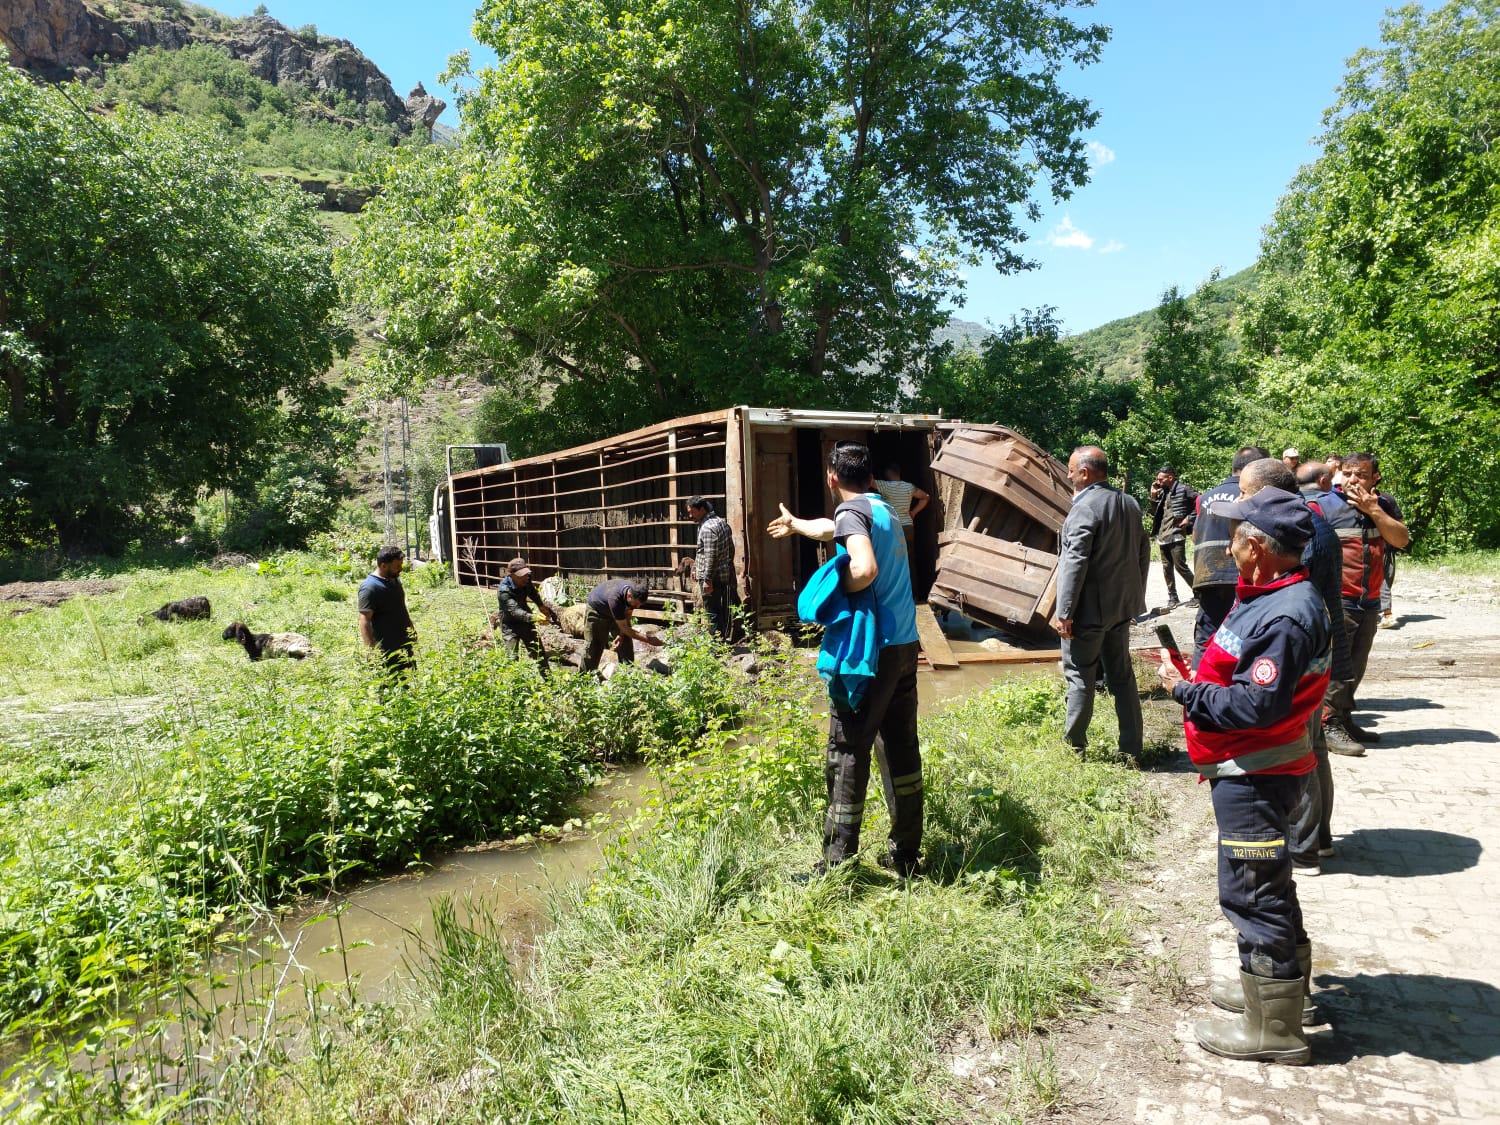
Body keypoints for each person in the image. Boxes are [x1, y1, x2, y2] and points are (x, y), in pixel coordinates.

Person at [1159, 488, 1331, 1066]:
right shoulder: (1270, 593)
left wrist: (1185, 692)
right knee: (1268, 882)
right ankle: (1282, 991)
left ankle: (1274, 1028)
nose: (1228, 546)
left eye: (1234, 536)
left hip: (1257, 770)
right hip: (1251, 763)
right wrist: (1202, 679)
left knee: (1252, 890)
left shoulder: (1286, 614)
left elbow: (1257, 706)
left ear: (1255, 547)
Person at [767, 441, 923, 876]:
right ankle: (906, 855)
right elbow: (834, 528)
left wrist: (833, 592)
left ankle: (836, 866)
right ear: (871, 478)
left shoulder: (852, 512)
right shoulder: (882, 509)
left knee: (848, 749)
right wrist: (797, 524)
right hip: (904, 646)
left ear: (831, 477)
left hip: (871, 653)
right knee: (900, 748)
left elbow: (864, 567)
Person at [1051, 445, 1149, 760]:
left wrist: (1064, 612)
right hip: (1120, 609)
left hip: (1088, 613)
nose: (1068, 476)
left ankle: (1074, 748)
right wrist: (1135, 598)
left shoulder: (1084, 508)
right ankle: (1132, 748)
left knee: (1080, 675)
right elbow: (1143, 552)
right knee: (1122, 677)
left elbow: (1074, 562)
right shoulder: (1129, 503)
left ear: (1084, 473)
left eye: (1070, 470)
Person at [1312, 452, 1409, 747]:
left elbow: (1401, 539)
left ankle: (1343, 718)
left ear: (1375, 477)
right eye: (1348, 474)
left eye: (1361, 475)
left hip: (1370, 599)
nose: (1353, 480)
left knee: (1356, 665)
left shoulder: (1384, 504)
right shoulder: (1323, 505)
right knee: (1336, 666)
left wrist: (1373, 509)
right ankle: (1327, 724)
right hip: (1337, 600)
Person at [1191, 446, 1268, 667]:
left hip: (1207, 574)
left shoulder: (1206, 496)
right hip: (1238, 574)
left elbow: (1195, 535)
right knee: (1242, 631)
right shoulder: (1252, 495)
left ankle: (1199, 677)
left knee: (1207, 631)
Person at [686, 496, 741, 641]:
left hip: (712, 578)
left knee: (712, 613)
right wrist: (696, 567)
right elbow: (730, 549)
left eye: (692, 512)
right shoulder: (721, 522)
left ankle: (716, 646)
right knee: (721, 610)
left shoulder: (707, 528)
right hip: (722, 575)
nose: (690, 516)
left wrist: (707, 580)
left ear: (702, 509)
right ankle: (722, 641)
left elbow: (711, 556)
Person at [357, 545, 416, 674]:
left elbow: (400, 607)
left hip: (404, 643)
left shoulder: (394, 579)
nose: (401, 568)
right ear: (383, 566)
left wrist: (411, 629)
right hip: (386, 649)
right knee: (390, 683)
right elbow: (364, 620)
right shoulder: (370, 588)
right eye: (397, 566)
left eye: (401, 565)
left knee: (410, 680)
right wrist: (371, 651)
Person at [580, 579, 660, 673]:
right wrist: (649, 640)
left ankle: (627, 672)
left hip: (616, 610)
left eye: (639, 604)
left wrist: (621, 634)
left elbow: (628, 614)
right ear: (629, 596)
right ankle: (585, 676)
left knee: (625, 640)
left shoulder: (634, 592)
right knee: (594, 645)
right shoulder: (615, 599)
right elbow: (625, 628)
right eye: (636, 604)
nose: (638, 607)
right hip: (597, 609)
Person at [497, 557, 560, 675]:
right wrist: (534, 617)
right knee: (511, 658)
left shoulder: (526, 579)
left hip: (526, 622)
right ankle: (514, 683)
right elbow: (515, 611)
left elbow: (532, 592)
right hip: (510, 624)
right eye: (521, 575)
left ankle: (549, 681)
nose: (526, 577)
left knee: (539, 653)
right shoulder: (503, 591)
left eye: (526, 574)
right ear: (511, 575)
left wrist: (540, 605)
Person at [1148, 465, 1197, 609]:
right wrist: (1153, 496)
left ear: (1170, 477)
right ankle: (1173, 597)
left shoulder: (1184, 489)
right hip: (1163, 534)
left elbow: (1201, 502)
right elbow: (1155, 513)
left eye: (1160, 479)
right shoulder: (1163, 492)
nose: (1158, 482)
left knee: (1181, 566)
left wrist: (1188, 519)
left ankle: (1200, 595)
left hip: (1176, 533)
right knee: (1166, 568)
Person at [873, 463, 929, 552]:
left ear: (888, 472)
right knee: (909, 555)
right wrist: (913, 512)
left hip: (892, 528)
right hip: (908, 527)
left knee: (894, 556)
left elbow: (868, 481)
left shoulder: (885, 486)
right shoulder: (909, 487)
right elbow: (926, 497)